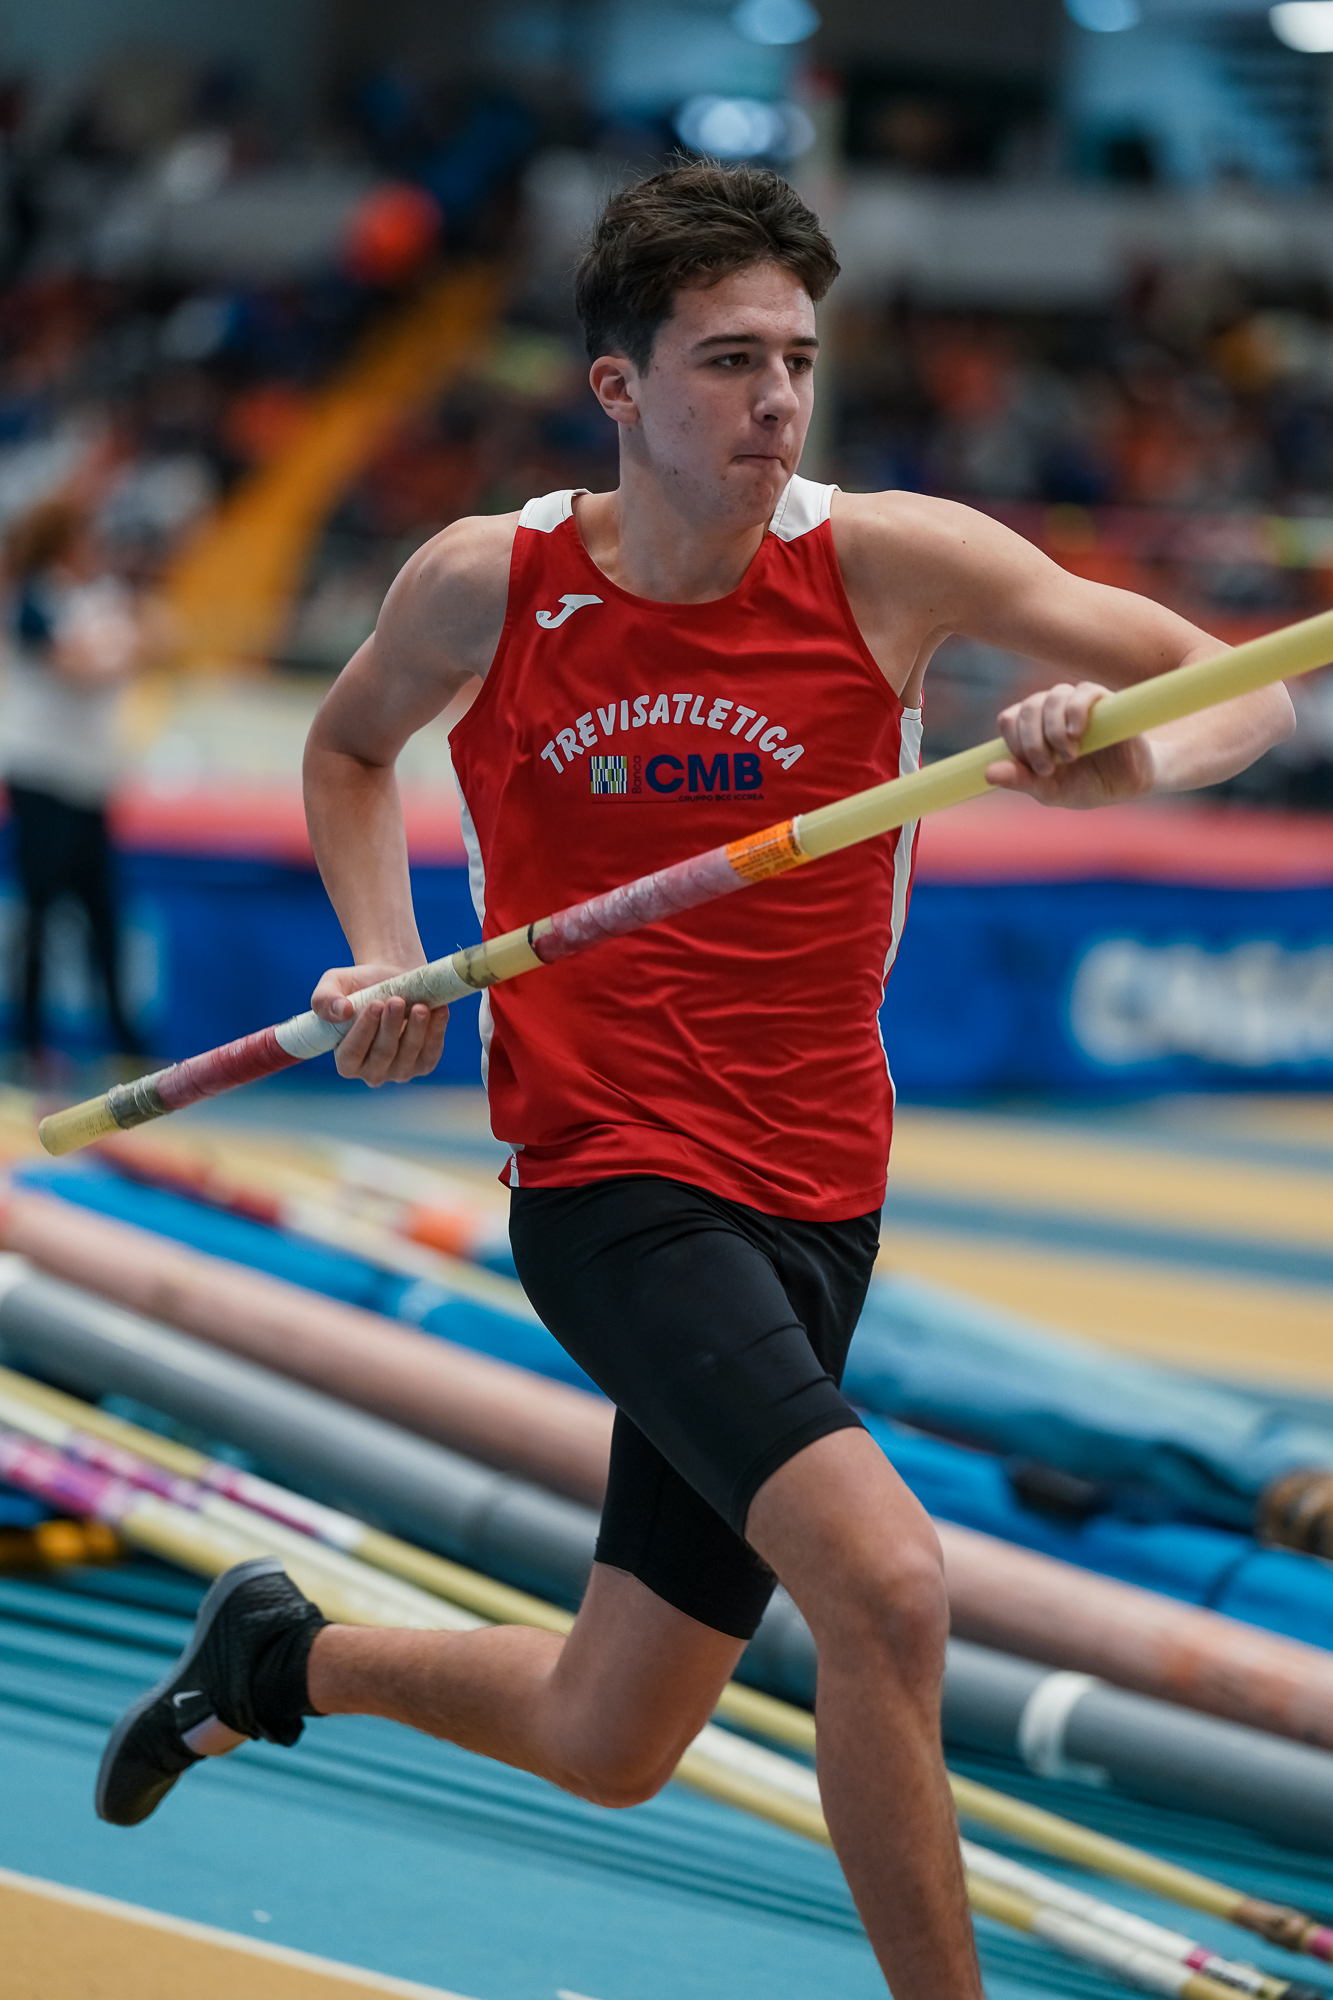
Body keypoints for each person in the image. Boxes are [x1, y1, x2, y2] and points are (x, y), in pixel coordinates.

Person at [95, 163, 1294, 1998]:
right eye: (729, 361)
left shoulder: (886, 562)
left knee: (612, 1730)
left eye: (796, 360)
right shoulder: (491, 582)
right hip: (609, 1181)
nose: (775, 401)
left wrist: (1121, 763)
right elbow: (347, 752)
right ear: (618, 386)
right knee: (884, 1584)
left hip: (820, 1193)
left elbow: (1243, 695)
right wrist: (378, 948)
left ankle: (275, 1657)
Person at [1, 495, 146, 1068]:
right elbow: (81, 669)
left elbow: (151, 638)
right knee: (41, 908)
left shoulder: (101, 597)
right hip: (42, 774)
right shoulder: (36, 599)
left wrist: (115, 650)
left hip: (88, 780)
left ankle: (124, 1042)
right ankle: (29, 1039)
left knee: (103, 910)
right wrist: (116, 653)